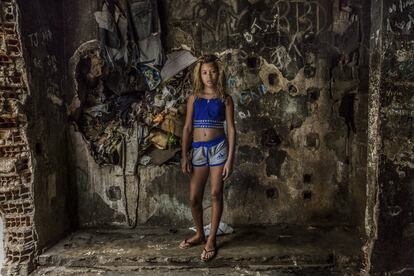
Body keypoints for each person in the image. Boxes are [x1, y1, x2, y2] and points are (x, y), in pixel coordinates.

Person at [179, 54, 236, 262]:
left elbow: (231, 129)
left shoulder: (225, 99)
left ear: (218, 72)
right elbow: (187, 128)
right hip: (198, 151)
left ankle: (211, 239)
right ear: (199, 75)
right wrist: (184, 155)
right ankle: (199, 234)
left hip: (218, 148)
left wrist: (230, 159)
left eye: (212, 71)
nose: (209, 76)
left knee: (215, 193)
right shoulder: (194, 98)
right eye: (204, 72)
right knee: (194, 198)